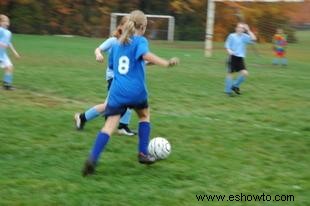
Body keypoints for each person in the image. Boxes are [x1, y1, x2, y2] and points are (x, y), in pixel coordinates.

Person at [82, 10, 179, 176]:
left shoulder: (117, 44)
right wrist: (165, 63)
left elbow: (117, 66)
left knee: (109, 126)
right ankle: (142, 153)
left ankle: (93, 158)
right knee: (144, 116)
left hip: (118, 91)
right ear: (142, 26)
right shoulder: (140, 40)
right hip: (136, 91)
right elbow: (145, 55)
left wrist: (145, 63)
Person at [74, 16, 136, 136]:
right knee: (109, 105)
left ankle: (123, 126)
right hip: (114, 77)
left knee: (129, 99)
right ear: (121, 27)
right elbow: (98, 49)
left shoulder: (131, 44)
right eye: (127, 26)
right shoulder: (113, 41)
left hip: (125, 78)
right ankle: (81, 117)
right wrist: (98, 54)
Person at [224, 22, 256, 96]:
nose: (240, 29)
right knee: (230, 74)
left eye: (242, 28)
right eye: (239, 27)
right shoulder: (231, 36)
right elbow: (227, 45)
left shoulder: (245, 37)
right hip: (232, 57)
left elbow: (254, 39)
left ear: (243, 30)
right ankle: (228, 91)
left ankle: (235, 86)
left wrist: (248, 30)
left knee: (245, 73)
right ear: (236, 28)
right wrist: (230, 51)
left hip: (240, 58)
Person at [0, 14, 20, 90]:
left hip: (3, 54)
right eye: (4, 21)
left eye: (7, 21)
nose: (6, 23)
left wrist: (15, 52)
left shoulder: (8, 32)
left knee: (9, 67)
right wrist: (2, 44)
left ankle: (7, 85)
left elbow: (9, 43)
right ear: (0, 22)